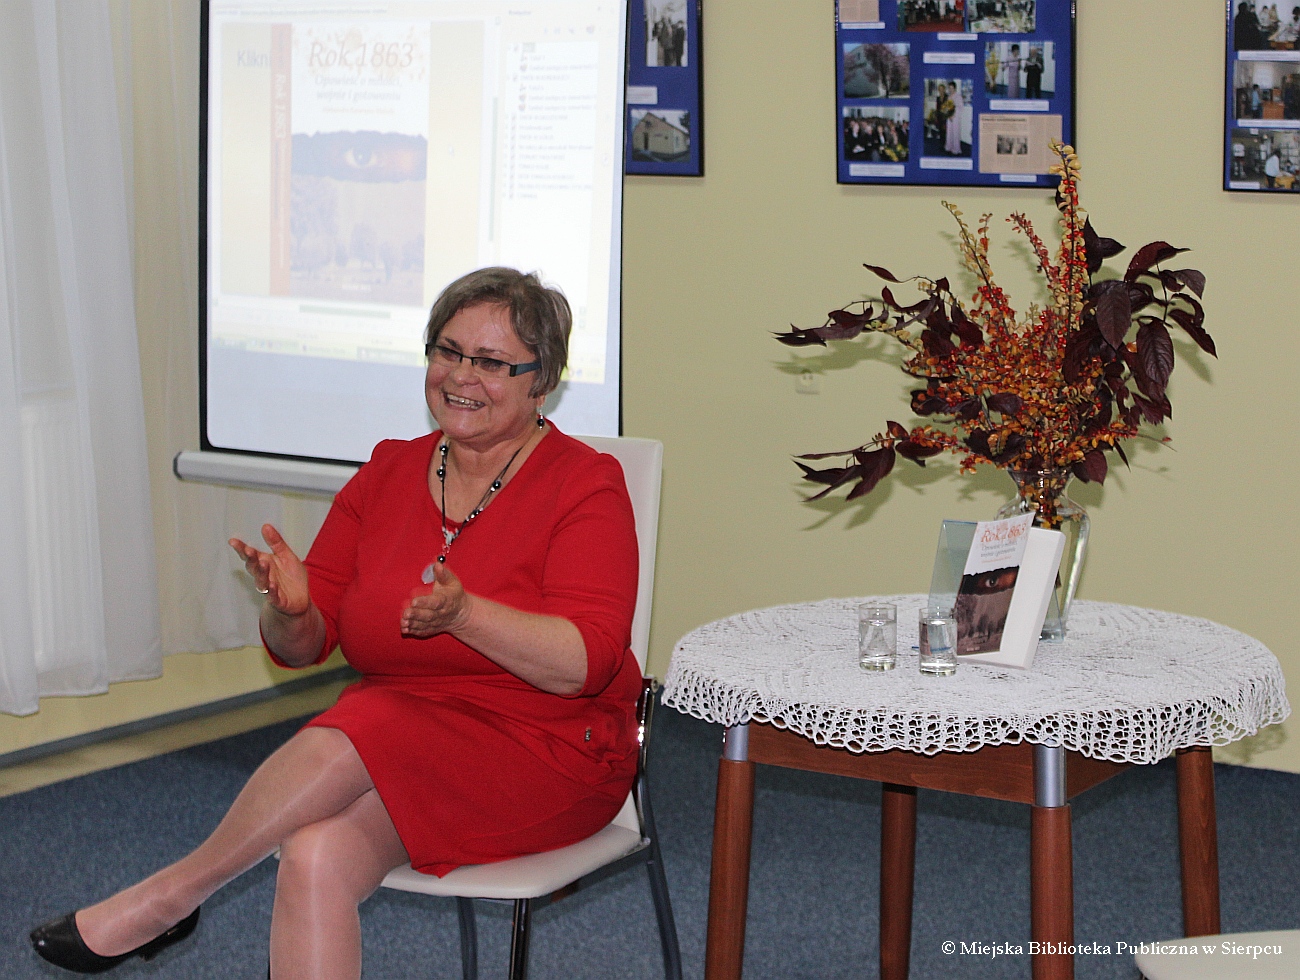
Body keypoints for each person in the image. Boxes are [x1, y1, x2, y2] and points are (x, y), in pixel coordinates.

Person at [29, 268, 642, 979]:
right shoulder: (388, 470)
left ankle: (172, 894)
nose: (461, 376)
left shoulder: (586, 482)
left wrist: (468, 615)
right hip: (409, 743)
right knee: (316, 853)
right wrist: (290, 609)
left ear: (543, 381)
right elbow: (306, 645)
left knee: (370, 717)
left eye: (492, 362)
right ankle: (173, 900)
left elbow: (585, 663)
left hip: (550, 749)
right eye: (447, 351)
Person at [944, 81, 965, 155]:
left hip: (955, 117)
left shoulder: (958, 96)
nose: (950, 90)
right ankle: (949, 146)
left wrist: (954, 115)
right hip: (949, 117)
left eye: (952, 88)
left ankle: (956, 149)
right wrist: (947, 113)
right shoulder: (949, 97)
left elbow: (960, 107)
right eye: (949, 88)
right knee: (949, 132)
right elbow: (947, 107)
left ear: (955, 88)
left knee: (955, 133)